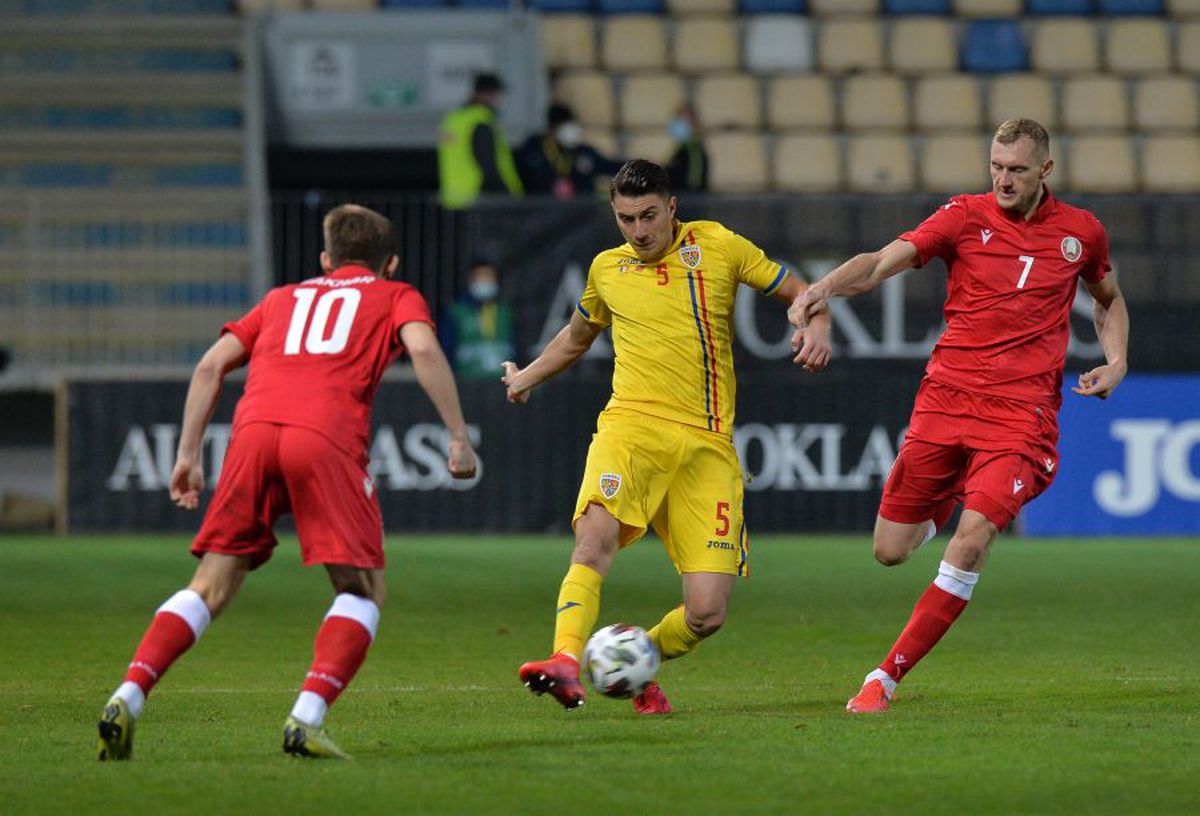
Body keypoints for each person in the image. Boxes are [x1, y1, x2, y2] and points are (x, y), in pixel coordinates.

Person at [96, 204, 478, 760]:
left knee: (210, 585)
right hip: (324, 436)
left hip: (252, 435)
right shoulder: (395, 295)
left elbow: (209, 366)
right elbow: (420, 347)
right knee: (362, 590)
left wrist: (187, 456)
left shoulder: (281, 299)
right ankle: (306, 718)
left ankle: (128, 695)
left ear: (325, 259)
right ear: (389, 263)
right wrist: (458, 437)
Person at [788, 119, 1130, 714]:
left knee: (972, 542)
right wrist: (825, 287)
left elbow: (1108, 300)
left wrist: (1117, 362)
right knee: (890, 550)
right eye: (996, 166)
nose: (1002, 178)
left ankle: (883, 679)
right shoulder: (963, 217)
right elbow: (878, 263)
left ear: (1045, 171)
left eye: (1016, 170)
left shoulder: (1081, 233)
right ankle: (948, 502)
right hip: (945, 401)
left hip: (1020, 417)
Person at [502, 160, 832, 713]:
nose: (639, 230)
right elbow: (578, 334)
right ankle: (563, 659)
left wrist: (817, 322)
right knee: (594, 539)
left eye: (649, 215)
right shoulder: (607, 268)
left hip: (706, 446)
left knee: (706, 613)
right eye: (626, 218)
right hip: (630, 428)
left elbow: (798, 291)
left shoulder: (719, 246)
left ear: (673, 207)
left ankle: (635, 660)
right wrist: (526, 378)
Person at [438, 73, 523, 210]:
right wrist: (506, 195)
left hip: (455, 199)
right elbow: (487, 163)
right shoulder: (480, 121)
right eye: (497, 95)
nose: (499, 100)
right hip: (480, 199)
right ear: (486, 94)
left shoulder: (454, 120)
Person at [515, 103, 624, 199]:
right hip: (542, 214)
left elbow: (608, 166)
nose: (571, 131)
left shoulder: (582, 152)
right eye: (565, 126)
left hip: (580, 215)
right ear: (552, 128)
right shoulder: (532, 150)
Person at [440, 258, 516, 380]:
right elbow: (445, 349)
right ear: (471, 280)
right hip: (466, 382)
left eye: (489, 277)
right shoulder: (456, 312)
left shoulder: (505, 312)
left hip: (503, 382)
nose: (485, 281)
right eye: (480, 277)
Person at [664, 105, 708, 193]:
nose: (676, 124)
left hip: (688, 201)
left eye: (681, 120)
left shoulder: (694, 150)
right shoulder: (682, 148)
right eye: (676, 118)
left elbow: (694, 183)